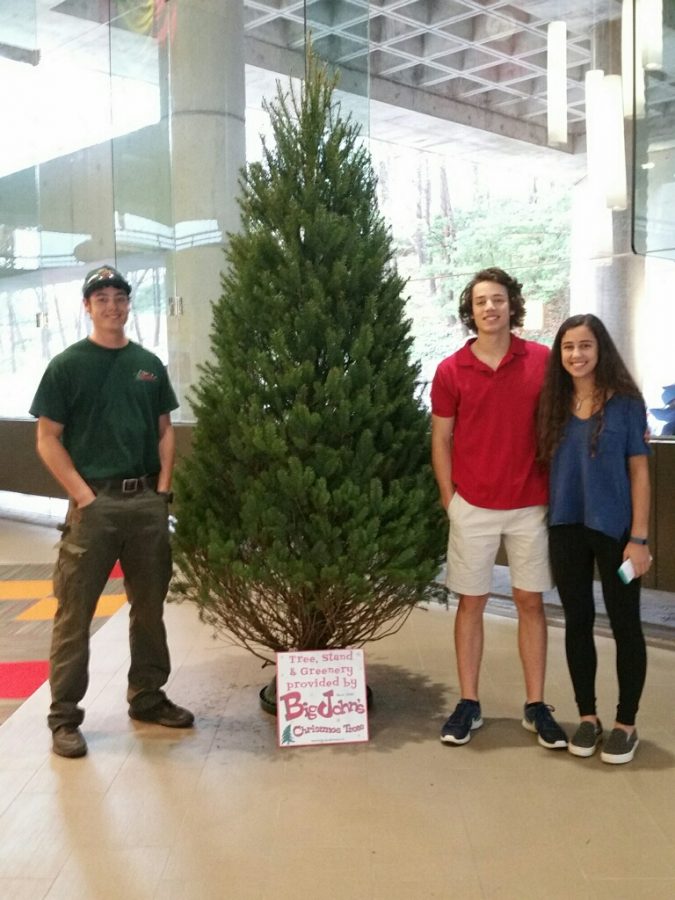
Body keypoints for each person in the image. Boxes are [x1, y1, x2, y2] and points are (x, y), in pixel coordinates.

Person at [30, 265, 194, 759]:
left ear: (128, 305)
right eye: (100, 297)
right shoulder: (67, 366)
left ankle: (146, 696)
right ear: (87, 306)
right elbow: (47, 439)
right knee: (75, 613)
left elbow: (166, 429)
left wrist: (162, 490)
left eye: (119, 297)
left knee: (149, 608)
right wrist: (83, 496)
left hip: (145, 502)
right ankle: (63, 717)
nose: (111, 305)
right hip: (94, 507)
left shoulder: (147, 364)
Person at [431, 267, 567, 750]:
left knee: (532, 603)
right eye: (481, 301)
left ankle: (536, 705)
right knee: (472, 602)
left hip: (531, 504)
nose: (490, 307)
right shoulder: (450, 370)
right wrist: (452, 502)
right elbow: (441, 439)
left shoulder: (543, 362)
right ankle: (469, 702)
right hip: (474, 505)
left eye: (499, 299)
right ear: (470, 310)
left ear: (513, 305)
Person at [538, 313, 650, 764]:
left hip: (617, 532)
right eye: (568, 347)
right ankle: (588, 718)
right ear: (559, 354)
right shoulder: (551, 402)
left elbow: (640, 473)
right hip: (566, 528)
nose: (576, 355)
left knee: (626, 626)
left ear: (600, 349)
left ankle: (626, 724)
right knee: (577, 622)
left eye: (585, 346)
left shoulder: (625, 403)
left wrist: (639, 539)